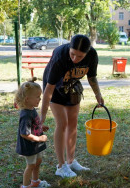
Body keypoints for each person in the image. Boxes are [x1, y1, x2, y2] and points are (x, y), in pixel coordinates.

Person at [40, 34, 104, 178]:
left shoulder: (92, 55)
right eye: (73, 54)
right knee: (62, 123)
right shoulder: (60, 55)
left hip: (72, 87)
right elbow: (49, 88)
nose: (75, 59)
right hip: (55, 87)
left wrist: (98, 95)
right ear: (69, 48)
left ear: (87, 53)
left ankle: (70, 161)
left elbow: (92, 77)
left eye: (80, 57)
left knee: (73, 124)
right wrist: (42, 115)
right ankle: (61, 166)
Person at [15, 77, 51, 188]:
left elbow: (33, 125)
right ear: (27, 99)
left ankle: (35, 182)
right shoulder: (25, 114)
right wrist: (39, 138)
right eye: (37, 97)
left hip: (36, 145)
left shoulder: (32, 109)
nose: (40, 99)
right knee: (30, 165)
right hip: (29, 145)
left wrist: (40, 127)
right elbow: (24, 133)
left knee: (38, 161)